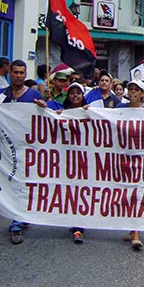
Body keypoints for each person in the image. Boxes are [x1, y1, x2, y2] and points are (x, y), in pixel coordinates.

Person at [0, 60, 45, 245]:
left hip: (26, 148)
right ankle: (18, 216)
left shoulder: (33, 95)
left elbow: (44, 119)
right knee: (10, 184)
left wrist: (43, 107)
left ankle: (16, 223)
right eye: (15, 72)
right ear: (10, 74)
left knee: (22, 184)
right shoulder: (1, 95)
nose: (18, 76)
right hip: (6, 148)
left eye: (22, 72)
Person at [118, 79, 144, 250]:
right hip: (124, 157)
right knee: (128, 194)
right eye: (130, 89)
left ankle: (137, 234)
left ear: (142, 94)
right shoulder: (120, 109)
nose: (132, 92)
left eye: (136, 90)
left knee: (139, 193)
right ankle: (133, 229)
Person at [56, 82, 89, 244]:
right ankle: (73, 220)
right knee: (68, 191)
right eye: (72, 93)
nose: (75, 95)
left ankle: (79, 227)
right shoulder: (60, 113)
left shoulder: (90, 112)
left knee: (81, 191)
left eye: (78, 93)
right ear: (67, 96)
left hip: (84, 159)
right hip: (66, 159)